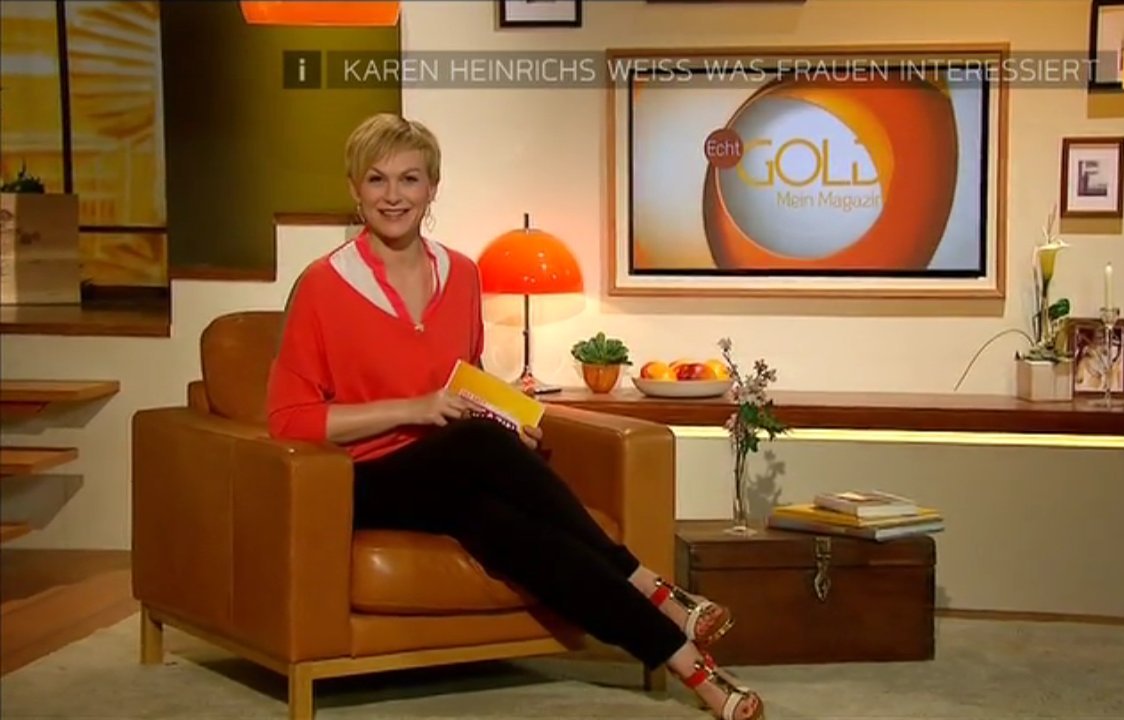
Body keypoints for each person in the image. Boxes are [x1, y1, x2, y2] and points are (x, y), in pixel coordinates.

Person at [265, 113, 765, 720]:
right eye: (377, 179)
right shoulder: (323, 285)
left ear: (432, 188)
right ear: (354, 188)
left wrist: (506, 422)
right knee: (475, 443)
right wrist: (418, 409)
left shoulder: (462, 275)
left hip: (451, 473)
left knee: (510, 532)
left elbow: (466, 380)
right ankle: (642, 579)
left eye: (409, 179)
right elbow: (289, 420)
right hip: (363, 479)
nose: (393, 196)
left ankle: (693, 669)